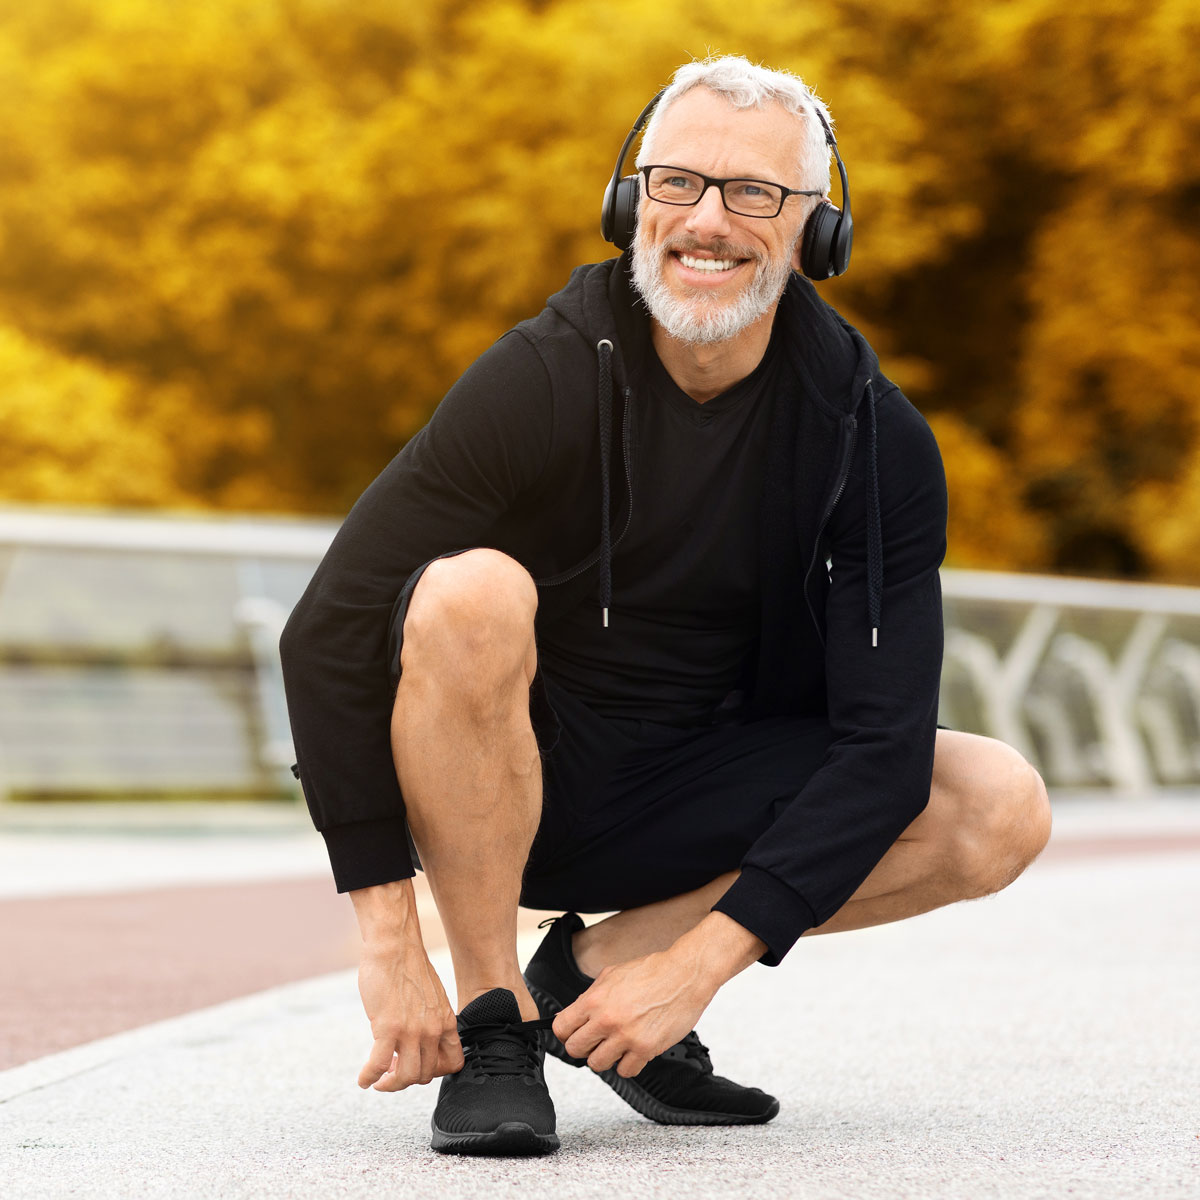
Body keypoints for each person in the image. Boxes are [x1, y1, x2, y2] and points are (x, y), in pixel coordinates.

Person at [279, 55, 1052, 1156]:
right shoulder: (543, 373)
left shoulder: (867, 431)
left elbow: (881, 749)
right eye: (678, 181)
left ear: (815, 233)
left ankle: (586, 979)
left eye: (755, 194)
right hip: (505, 781)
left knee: (999, 803)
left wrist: (690, 971)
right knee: (469, 591)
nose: (707, 220)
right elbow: (330, 629)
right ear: (628, 199)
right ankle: (494, 1019)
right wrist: (387, 932)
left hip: (709, 790)